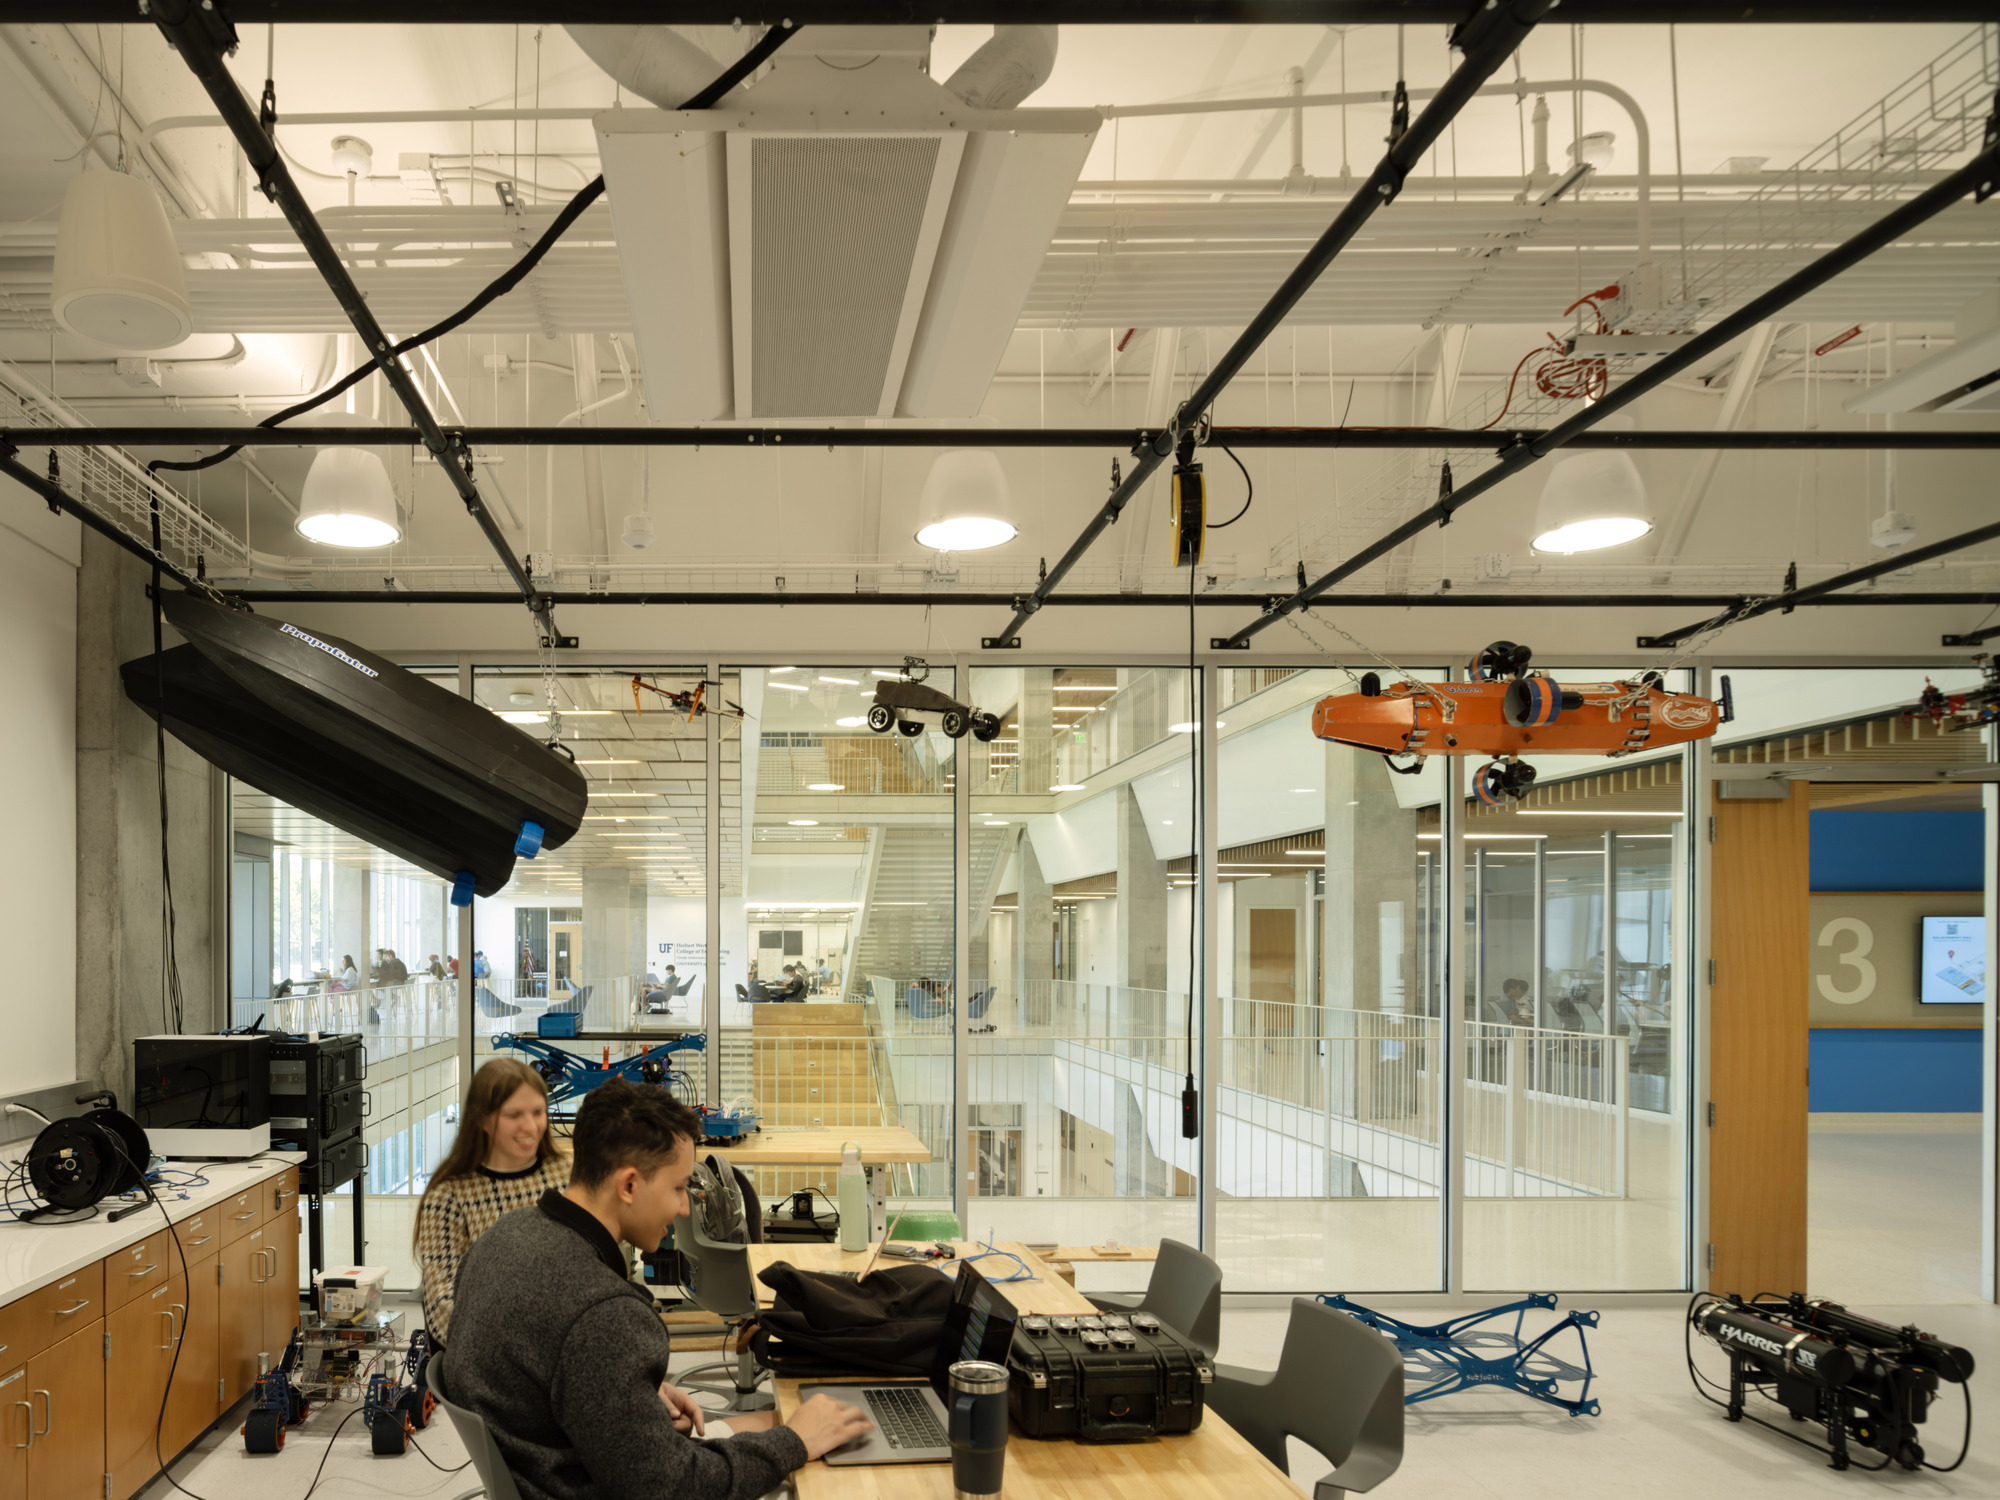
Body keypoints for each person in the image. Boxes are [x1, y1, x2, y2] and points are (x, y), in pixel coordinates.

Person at [444, 1080, 872, 1500]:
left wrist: (622, 1394)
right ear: (629, 1185)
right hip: (609, 1482)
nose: (685, 1206)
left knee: (774, 1423)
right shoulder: (603, 1313)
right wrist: (794, 1442)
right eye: (677, 1187)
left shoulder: (501, 1238)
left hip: (560, 1465)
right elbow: (672, 1486)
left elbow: (540, 1370)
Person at [414, 1058, 570, 1351]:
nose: (530, 1126)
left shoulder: (568, 1177)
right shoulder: (448, 1196)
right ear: (483, 1120)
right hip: (486, 1359)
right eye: (514, 1115)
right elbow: (441, 1305)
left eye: (538, 1112)